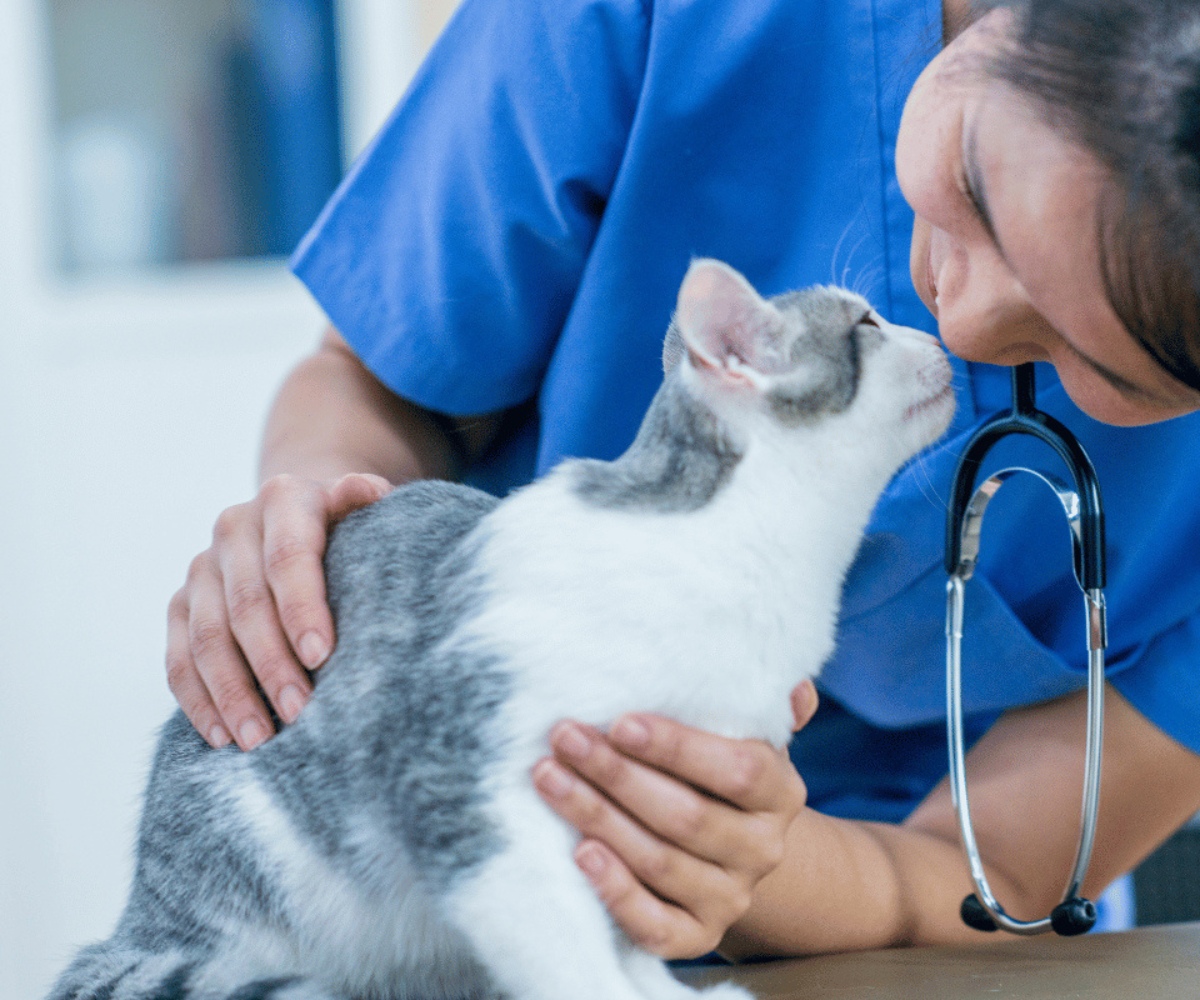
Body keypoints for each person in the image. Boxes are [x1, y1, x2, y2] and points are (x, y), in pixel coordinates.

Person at [165, 0, 1200, 959]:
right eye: (973, 180)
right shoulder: (656, 19)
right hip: (464, 841)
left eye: (1097, 363)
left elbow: (1002, 876)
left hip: (913, 942)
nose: (959, 321)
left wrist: (735, 854)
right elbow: (376, 381)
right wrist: (321, 537)